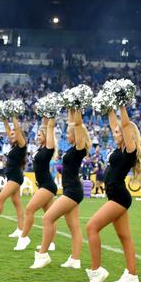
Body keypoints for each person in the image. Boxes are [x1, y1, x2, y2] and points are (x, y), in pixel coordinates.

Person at [84, 106, 141, 282]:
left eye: (119, 132)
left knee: (91, 227)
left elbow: (124, 125)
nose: (115, 132)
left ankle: (97, 271)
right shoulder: (119, 148)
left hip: (118, 197)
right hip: (116, 196)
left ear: (127, 135)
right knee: (125, 237)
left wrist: (122, 104)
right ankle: (132, 276)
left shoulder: (129, 150)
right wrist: (110, 106)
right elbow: (114, 124)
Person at [31, 108, 91, 269]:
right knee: (74, 226)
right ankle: (75, 259)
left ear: (77, 135)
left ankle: (43, 255)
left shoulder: (80, 148)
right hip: (70, 189)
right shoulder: (73, 149)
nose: (67, 135)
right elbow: (73, 124)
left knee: (47, 218)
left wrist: (77, 107)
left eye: (69, 133)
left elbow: (76, 125)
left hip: (72, 191)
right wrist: (71, 108)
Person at [14, 117, 56, 251]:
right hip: (42, 185)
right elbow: (45, 126)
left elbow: (49, 128)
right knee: (50, 216)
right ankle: (51, 243)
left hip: (47, 186)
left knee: (29, 209)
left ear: (46, 136)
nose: (37, 137)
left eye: (39, 135)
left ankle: (24, 237)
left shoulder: (49, 148)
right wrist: (45, 117)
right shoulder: (40, 148)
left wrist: (50, 118)